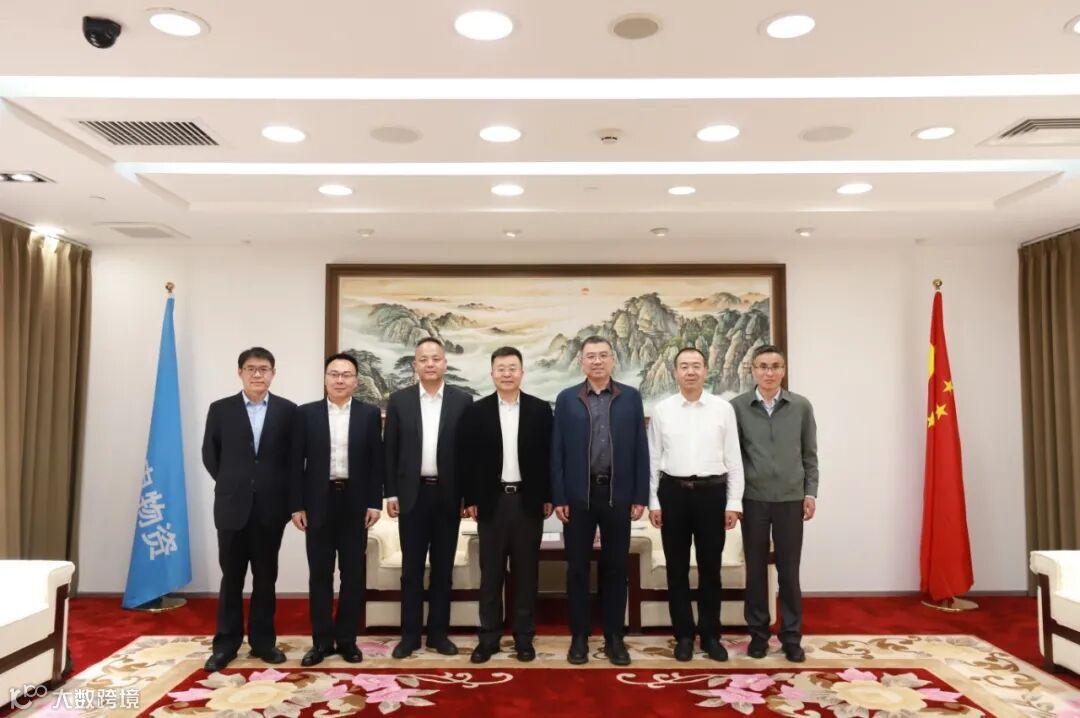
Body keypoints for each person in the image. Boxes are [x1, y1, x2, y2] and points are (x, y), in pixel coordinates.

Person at [551, 335, 649, 666]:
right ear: (581, 362)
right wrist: (559, 496)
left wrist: (639, 495)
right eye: (590, 356)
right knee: (577, 569)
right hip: (578, 496)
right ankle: (579, 637)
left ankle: (614, 638)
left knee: (616, 568)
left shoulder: (630, 397)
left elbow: (640, 448)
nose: (597, 361)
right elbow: (557, 451)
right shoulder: (567, 399)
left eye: (603, 355)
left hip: (617, 495)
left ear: (612, 360)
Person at [201, 347, 296, 672]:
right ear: (240, 372)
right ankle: (225, 645)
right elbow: (210, 454)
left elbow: (293, 460)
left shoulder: (287, 411)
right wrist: (235, 483)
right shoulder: (221, 409)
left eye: (264, 369)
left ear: (273, 373)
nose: (258, 374)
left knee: (266, 577)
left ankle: (263, 642)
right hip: (232, 507)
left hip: (271, 508)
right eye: (251, 368)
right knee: (231, 578)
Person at [647, 347, 744, 662]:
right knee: (676, 569)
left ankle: (711, 635)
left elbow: (734, 458)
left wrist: (733, 502)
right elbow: (653, 459)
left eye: (696, 366)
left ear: (706, 370)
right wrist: (653, 501)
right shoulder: (662, 410)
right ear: (675, 372)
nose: (690, 371)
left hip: (712, 494)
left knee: (710, 568)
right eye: (684, 366)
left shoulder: (722, 409)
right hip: (672, 494)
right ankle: (684, 636)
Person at [460, 347, 554, 664]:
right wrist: (470, 499)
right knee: (491, 575)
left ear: (522, 372)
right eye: (501, 368)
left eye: (512, 368)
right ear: (492, 374)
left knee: (526, 575)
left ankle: (524, 639)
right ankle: (488, 638)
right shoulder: (477, 411)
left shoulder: (540, 410)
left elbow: (549, 457)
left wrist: (548, 496)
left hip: (528, 502)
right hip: (492, 503)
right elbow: (467, 459)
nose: (507, 373)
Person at [290, 352, 384, 666]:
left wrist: (374, 502)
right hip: (318, 502)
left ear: (356, 381)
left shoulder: (369, 414)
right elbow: (295, 463)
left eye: (346, 375)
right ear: (325, 378)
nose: (340, 380)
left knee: (352, 576)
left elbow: (375, 462)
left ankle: (347, 641)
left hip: (355, 503)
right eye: (334, 374)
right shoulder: (306, 414)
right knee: (320, 575)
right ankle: (321, 643)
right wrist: (297, 505)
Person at [385, 337, 473, 658]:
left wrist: (468, 497)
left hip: (448, 496)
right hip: (412, 495)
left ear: (445, 363)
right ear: (415, 365)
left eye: (436, 358)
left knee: (442, 570)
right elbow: (390, 450)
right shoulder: (400, 401)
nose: (430, 364)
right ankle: (409, 637)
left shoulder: (463, 401)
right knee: (410, 571)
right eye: (424, 359)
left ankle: (438, 635)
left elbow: (469, 454)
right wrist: (391, 493)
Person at [731, 344, 818, 663]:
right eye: (763, 366)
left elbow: (810, 454)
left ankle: (791, 637)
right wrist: (732, 499)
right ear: (752, 370)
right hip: (753, 500)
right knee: (755, 571)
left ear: (783, 370)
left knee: (789, 572)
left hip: (790, 500)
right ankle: (758, 636)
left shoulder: (801, 406)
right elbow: (732, 457)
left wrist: (810, 493)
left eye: (775, 366)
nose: (769, 372)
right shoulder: (737, 407)